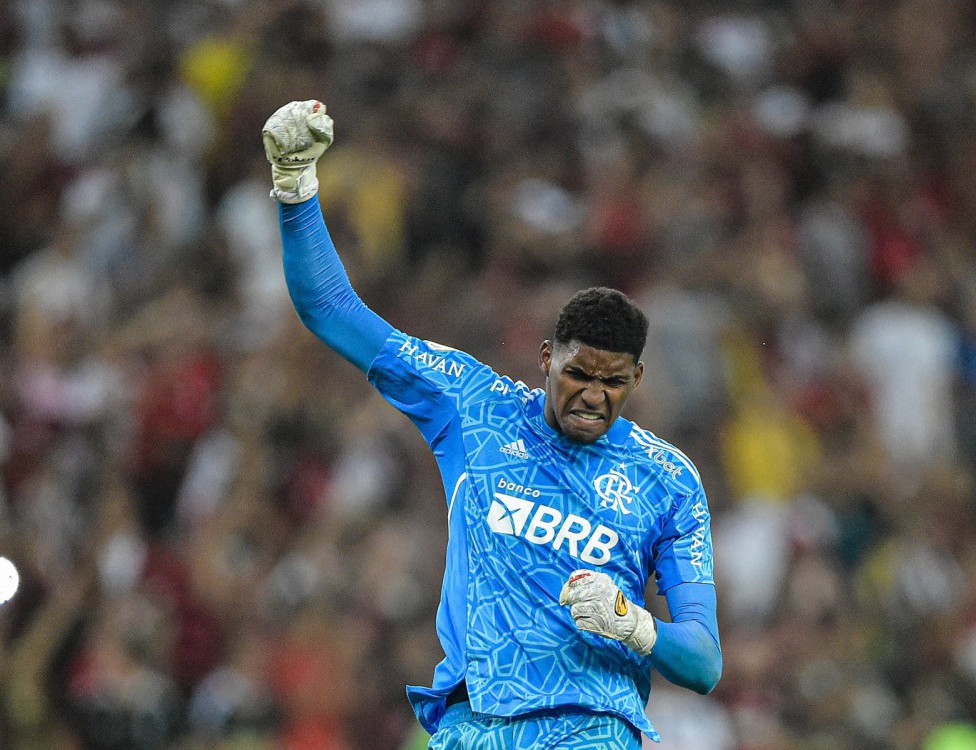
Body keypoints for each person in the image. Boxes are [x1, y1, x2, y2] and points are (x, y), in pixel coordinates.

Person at [263, 100, 722, 748]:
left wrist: (633, 624)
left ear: (637, 381)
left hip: (589, 731)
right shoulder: (473, 403)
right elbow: (331, 308)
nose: (593, 396)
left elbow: (704, 662)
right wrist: (295, 189)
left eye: (613, 382)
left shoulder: (668, 479)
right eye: (577, 375)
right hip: (471, 728)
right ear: (545, 359)